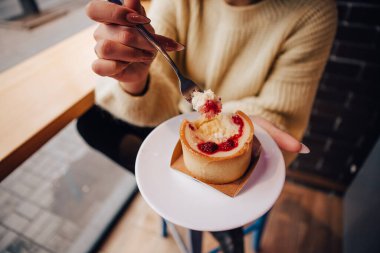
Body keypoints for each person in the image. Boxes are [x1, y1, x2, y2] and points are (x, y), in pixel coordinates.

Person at [78, 0, 337, 252]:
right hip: (178, 121)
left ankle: (213, 214)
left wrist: (240, 121)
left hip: (245, 143)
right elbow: (162, 96)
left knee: (227, 199)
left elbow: (279, 111)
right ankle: (187, 196)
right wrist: (136, 82)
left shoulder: (312, 10)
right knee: (90, 122)